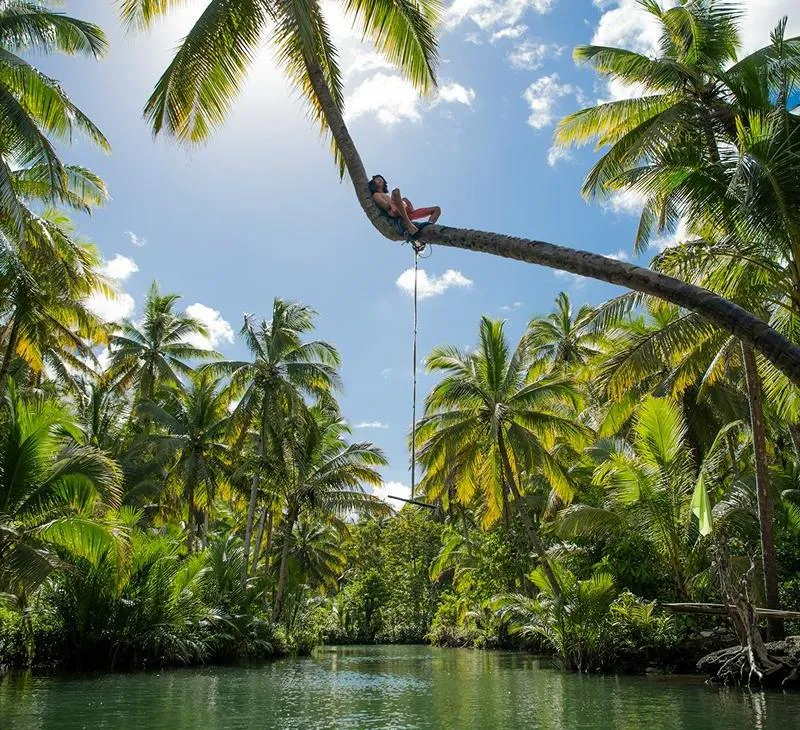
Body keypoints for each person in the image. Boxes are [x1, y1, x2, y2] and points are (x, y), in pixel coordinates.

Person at [368, 174, 441, 237]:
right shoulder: (376, 194)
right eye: (377, 179)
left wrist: (406, 202)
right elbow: (386, 207)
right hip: (394, 212)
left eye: (381, 179)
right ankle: (408, 224)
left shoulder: (386, 195)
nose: (380, 180)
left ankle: (429, 227)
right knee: (395, 191)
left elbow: (411, 210)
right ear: (373, 183)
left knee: (437, 209)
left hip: (407, 213)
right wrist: (395, 201)